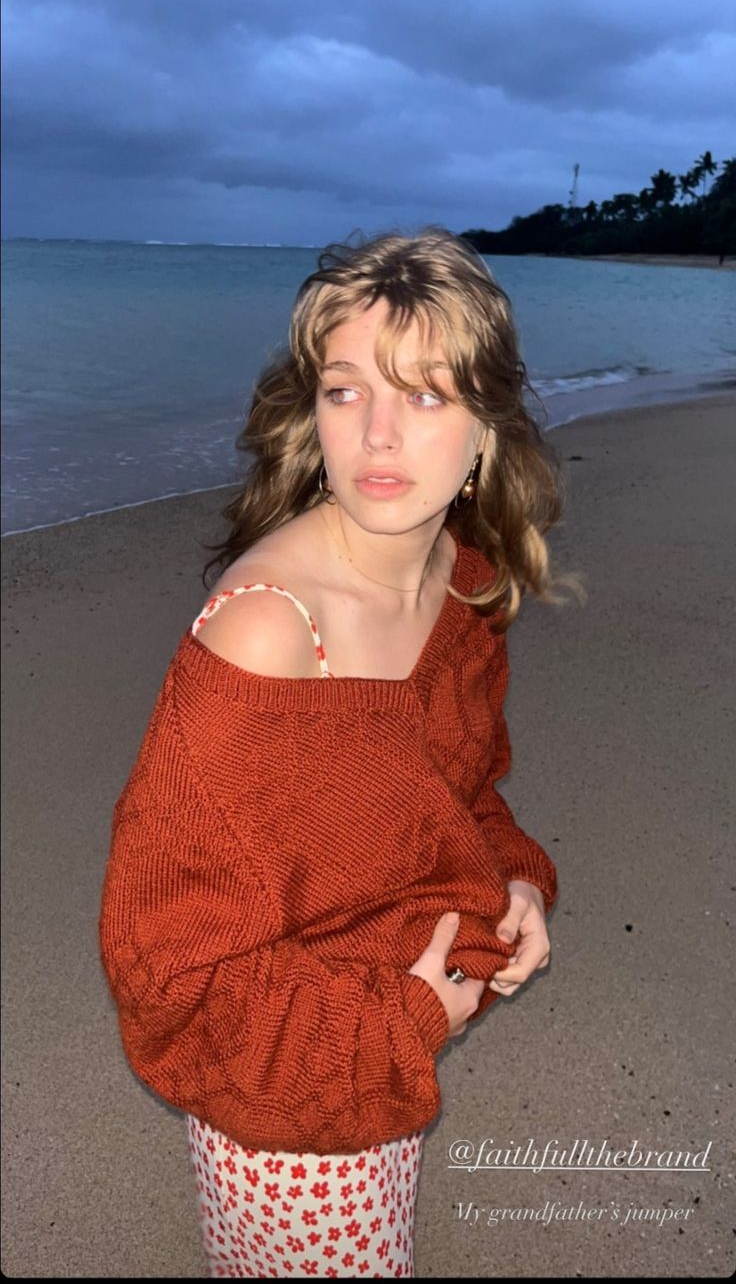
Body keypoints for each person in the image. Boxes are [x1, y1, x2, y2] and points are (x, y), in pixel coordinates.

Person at [99, 226, 578, 1279]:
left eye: (426, 393)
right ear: (310, 412)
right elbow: (166, 974)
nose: (378, 435)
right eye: (346, 390)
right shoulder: (267, 637)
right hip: (287, 1104)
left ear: (487, 426)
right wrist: (400, 1021)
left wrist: (509, 875)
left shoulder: (460, 577)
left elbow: (456, 786)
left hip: (391, 1042)